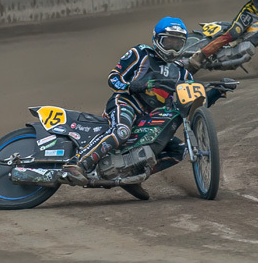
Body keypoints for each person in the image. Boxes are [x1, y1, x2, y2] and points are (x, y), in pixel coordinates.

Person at [61, 17, 228, 197]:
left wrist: (217, 92)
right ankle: (77, 164)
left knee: (178, 150)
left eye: (177, 43)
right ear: (157, 39)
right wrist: (131, 86)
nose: (172, 48)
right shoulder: (141, 53)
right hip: (127, 102)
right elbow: (113, 77)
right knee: (122, 131)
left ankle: (131, 175)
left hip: (152, 116)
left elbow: (190, 106)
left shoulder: (183, 73)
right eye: (168, 41)